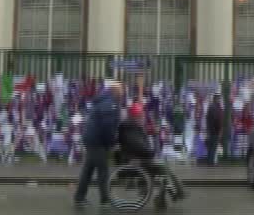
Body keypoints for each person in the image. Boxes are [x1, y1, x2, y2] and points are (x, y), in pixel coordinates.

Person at [117, 102, 186, 201]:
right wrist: (151, 152)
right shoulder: (130, 127)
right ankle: (173, 194)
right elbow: (137, 146)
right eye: (142, 115)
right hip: (136, 160)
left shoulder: (132, 127)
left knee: (164, 169)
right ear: (137, 116)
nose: (144, 118)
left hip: (139, 158)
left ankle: (172, 194)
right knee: (163, 169)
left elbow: (138, 144)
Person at [73, 80, 123, 208]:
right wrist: (111, 142)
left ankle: (79, 197)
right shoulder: (110, 103)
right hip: (97, 140)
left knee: (88, 170)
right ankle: (105, 199)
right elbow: (108, 126)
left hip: (91, 139)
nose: (123, 92)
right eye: (121, 90)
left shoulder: (105, 101)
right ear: (115, 91)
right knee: (103, 170)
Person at [205, 92, 223, 166]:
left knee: (211, 147)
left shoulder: (211, 107)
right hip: (215, 130)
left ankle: (209, 161)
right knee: (213, 147)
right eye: (219, 98)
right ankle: (211, 162)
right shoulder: (216, 107)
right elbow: (217, 120)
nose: (219, 100)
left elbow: (207, 118)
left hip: (210, 129)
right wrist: (219, 130)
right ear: (216, 99)